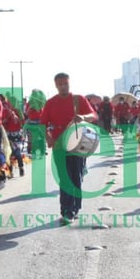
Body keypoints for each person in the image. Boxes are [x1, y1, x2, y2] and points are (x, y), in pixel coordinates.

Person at [40, 72, 97, 225]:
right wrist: (48, 138)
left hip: (78, 143)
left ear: (69, 83)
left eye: (65, 83)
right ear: (56, 85)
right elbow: (42, 124)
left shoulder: (78, 99)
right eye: (60, 84)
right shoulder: (50, 103)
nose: (63, 86)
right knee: (65, 178)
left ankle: (75, 206)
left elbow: (94, 115)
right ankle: (67, 210)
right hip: (59, 145)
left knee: (76, 176)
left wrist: (84, 117)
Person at [1, 93, 26, 177]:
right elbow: (2, 122)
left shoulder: (18, 111)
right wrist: (8, 117)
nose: (11, 104)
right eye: (10, 102)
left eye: (13, 102)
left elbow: (22, 121)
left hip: (17, 134)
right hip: (7, 134)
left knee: (17, 153)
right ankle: (10, 172)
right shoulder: (5, 111)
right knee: (9, 154)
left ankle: (21, 167)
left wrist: (16, 117)